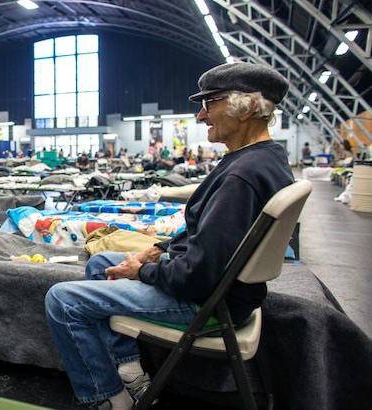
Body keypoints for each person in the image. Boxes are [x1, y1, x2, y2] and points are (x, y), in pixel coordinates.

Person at [45, 62, 294, 409]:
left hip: (207, 302)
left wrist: (142, 271)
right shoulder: (263, 159)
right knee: (101, 260)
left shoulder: (242, 177)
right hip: (228, 291)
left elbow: (197, 275)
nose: (201, 116)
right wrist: (157, 250)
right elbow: (206, 236)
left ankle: (106, 399)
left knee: (62, 300)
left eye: (210, 103)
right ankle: (129, 370)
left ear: (248, 106)